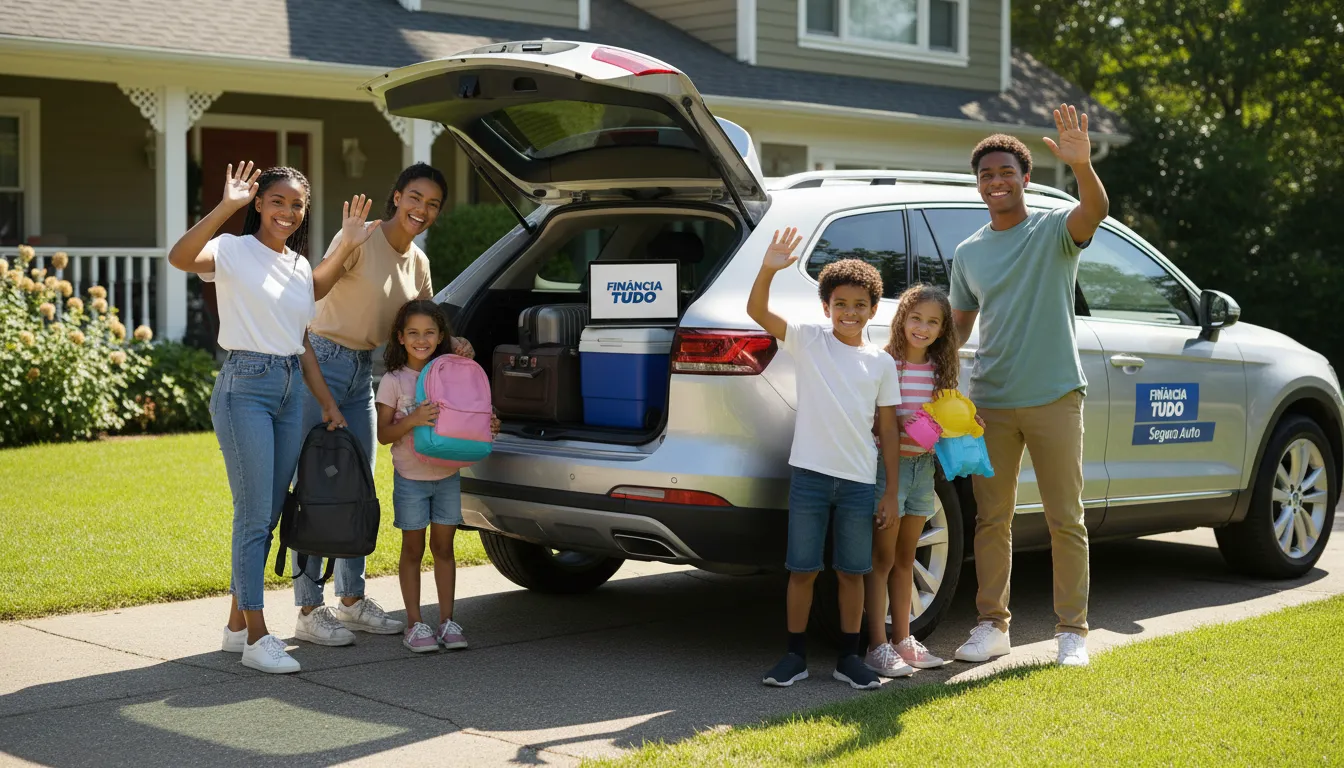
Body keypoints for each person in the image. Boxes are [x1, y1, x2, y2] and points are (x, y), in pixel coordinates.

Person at [168, 162, 348, 674]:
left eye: (296, 205)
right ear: (258, 204)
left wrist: (327, 403)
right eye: (277, 201)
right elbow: (179, 256)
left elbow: (303, 342)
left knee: (269, 514)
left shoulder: (297, 267)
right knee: (252, 516)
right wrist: (226, 206)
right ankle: (257, 636)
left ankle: (233, 627)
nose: (287, 212)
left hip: (293, 389)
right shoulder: (231, 250)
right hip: (244, 387)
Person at [948, 104, 1109, 667]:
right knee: (992, 519)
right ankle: (992, 626)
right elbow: (959, 325)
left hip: (1055, 395)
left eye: (1006, 173)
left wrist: (1083, 166)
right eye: (986, 175)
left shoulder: (1054, 231)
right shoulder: (968, 253)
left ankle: (1073, 633)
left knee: (1067, 517)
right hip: (992, 399)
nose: (996, 182)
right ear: (979, 184)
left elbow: (1096, 210)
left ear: (1026, 179)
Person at [291, 163, 475, 647]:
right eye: (415, 197)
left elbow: (428, 326)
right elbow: (312, 291)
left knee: (359, 489)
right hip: (323, 362)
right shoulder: (360, 237)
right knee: (318, 486)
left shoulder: (418, 262)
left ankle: (350, 601)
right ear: (397, 197)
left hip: (363, 375)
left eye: (433, 204)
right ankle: (309, 609)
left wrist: (455, 345)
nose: (423, 210)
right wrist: (346, 243)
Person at [748, 229, 904, 690]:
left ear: (874, 310)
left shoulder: (880, 363)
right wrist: (768, 269)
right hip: (810, 477)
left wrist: (891, 491)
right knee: (802, 569)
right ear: (826, 307)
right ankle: (794, 656)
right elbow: (757, 312)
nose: (849, 313)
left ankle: (848, 658)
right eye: (840, 304)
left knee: (852, 572)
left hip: (858, 481)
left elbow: (889, 430)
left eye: (859, 305)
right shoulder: (809, 340)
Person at [376, 300, 500, 653]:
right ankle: (415, 624)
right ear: (400, 338)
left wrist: (488, 424)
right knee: (412, 549)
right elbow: (384, 434)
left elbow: (469, 416)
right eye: (413, 333)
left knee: (445, 548)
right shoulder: (393, 381)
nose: (421, 339)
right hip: (411, 478)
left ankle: (447, 620)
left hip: (447, 475)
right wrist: (413, 420)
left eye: (430, 332)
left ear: (441, 336)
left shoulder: (452, 372)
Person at [863, 284, 963, 676]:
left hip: (924, 469)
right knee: (882, 558)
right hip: (889, 469)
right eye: (916, 318)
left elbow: (947, 416)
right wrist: (896, 421)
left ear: (942, 330)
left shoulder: (941, 371)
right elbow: (870, 417)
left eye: (932, 322)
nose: (922, 327)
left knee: (907, 557)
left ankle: (903, 640)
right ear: (902, 318)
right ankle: (876, 644)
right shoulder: (887, 363)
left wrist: (965, 424)